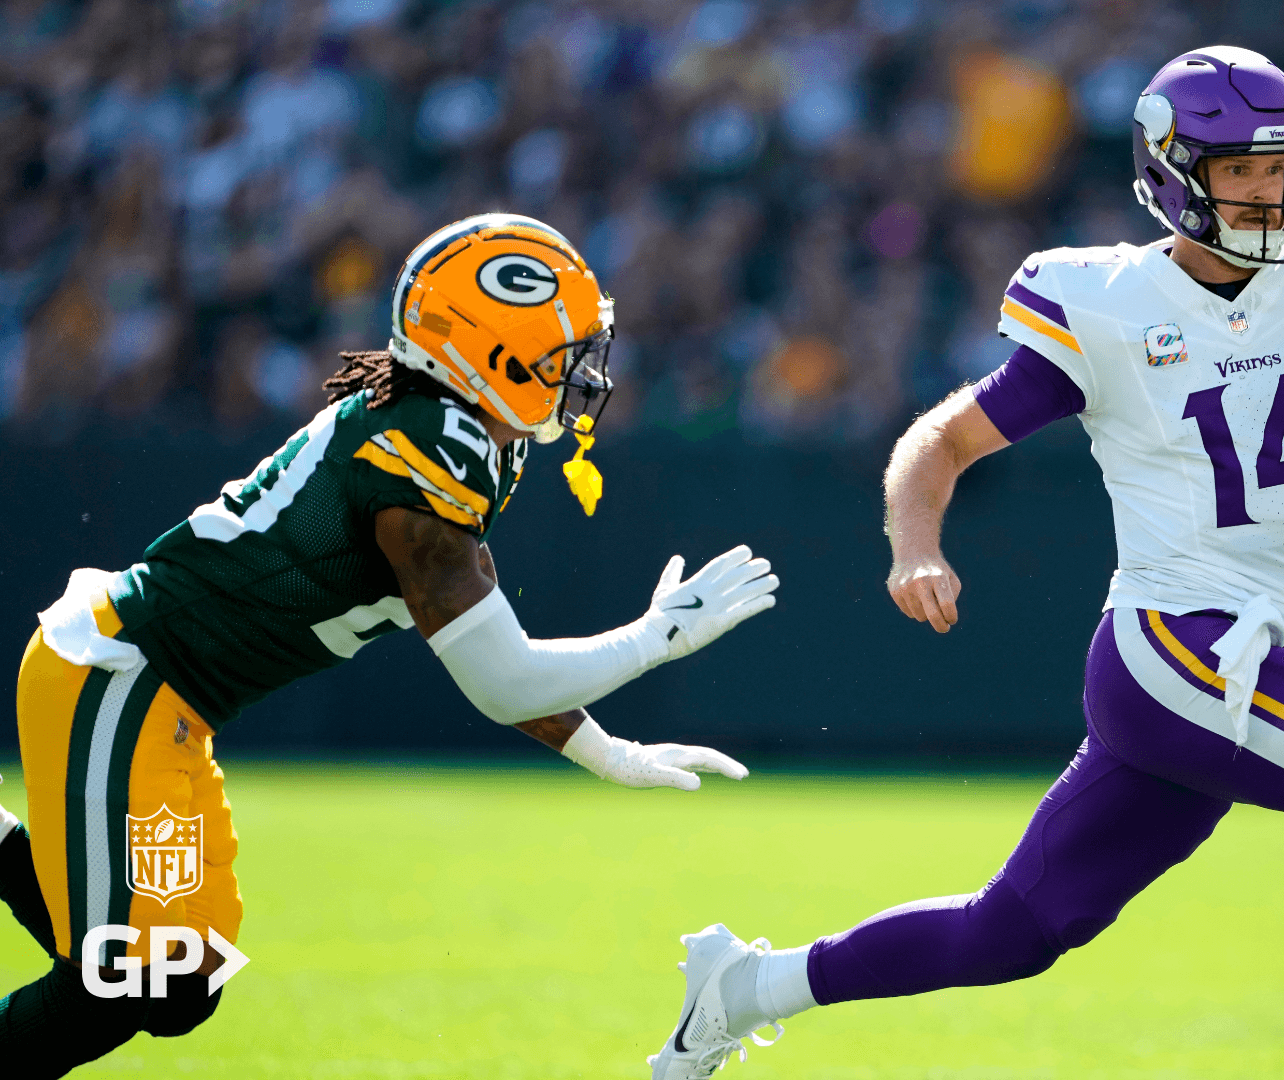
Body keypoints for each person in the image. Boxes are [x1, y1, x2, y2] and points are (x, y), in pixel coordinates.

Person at [645, 46, 1284, 1080]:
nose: (1266, 192)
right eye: (1239, 169)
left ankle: (743, 988)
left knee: (1010, 933)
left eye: (1279, 168)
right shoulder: (1110, 303)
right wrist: (914, 546)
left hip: (1225, 653)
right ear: (1172, 173)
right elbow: (941, 440)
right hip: (1178, 641)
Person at [0, 214, 779, 1078]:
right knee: (125, 986)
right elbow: (502, 680)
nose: (584, 372)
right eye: (563, 353)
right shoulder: (427, 450)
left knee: (180, 986)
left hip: (172, 707)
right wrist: (657, 637)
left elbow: (485, 642)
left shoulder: (461, 437)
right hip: (124, 676)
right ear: (496, 357)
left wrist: (606, 750)